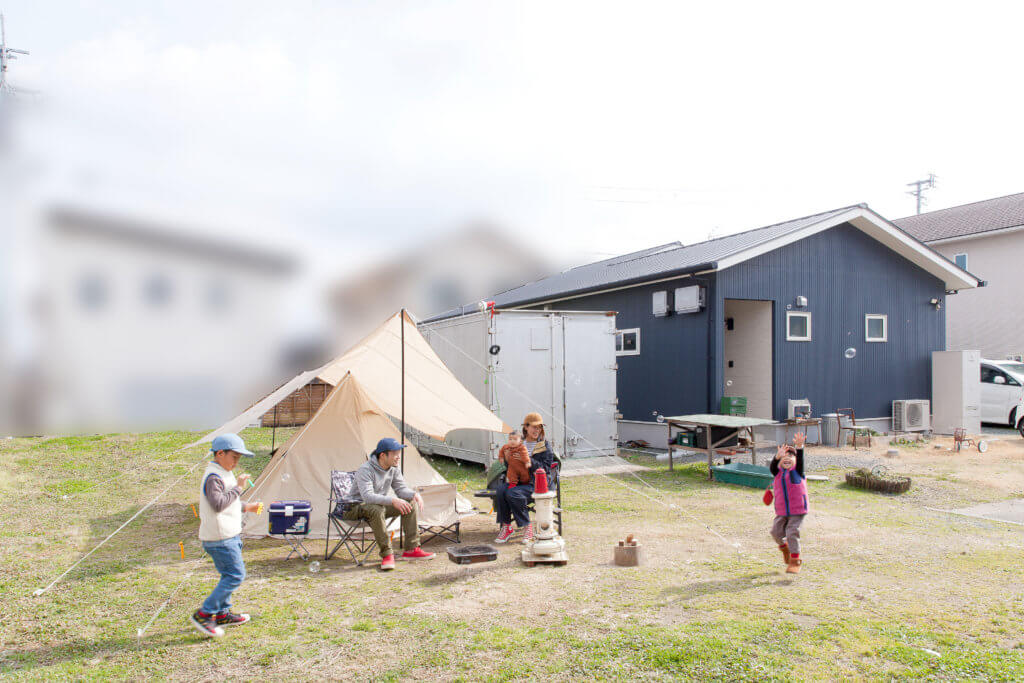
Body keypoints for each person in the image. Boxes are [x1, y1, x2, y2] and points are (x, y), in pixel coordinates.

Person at [190, 433, 262, 638]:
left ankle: (222, 614)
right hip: (220, 538)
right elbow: (218, 504)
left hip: (229, 534)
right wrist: (239, 487)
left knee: (228, 574)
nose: (236, 462)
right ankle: (205, 614)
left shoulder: (223, 473)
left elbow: (228, 502)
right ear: (220, 453)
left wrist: (247, 507)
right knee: (235, 575)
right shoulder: (213, 477)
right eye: (234, 457)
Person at [343, 437, 436, 571]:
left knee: (409, 504)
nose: (398, 457)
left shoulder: (393, 468)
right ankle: (387, 554)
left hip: (377, 507)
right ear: (382, 455)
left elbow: (400, 489)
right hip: (353, 508)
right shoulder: (365, 469)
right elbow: (368, 497)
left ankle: (412, 549)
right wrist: (393, 500)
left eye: (399, 453)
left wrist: (414, 494)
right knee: (376, 509)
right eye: (395, 454)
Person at [494, 412, 556, 544]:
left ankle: (527, 527)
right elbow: (510, 467)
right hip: (520, 481)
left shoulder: (545, 445)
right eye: (534, 427)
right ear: (526, 427)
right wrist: (507, 459)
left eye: (539, 427)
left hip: (538, 484)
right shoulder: (517, 443)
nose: (537, 430)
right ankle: (506, 526)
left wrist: (528, 459)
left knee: (513, 493)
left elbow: (545, 469)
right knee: (501, 490)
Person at [769, 432, 808, 575]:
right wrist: (776, 457)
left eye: (790, 456)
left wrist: (799, 447)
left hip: (797, 511)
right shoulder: (777, 473)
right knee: (775, 533)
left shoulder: (798, 472)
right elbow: (773, 466)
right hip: (782, 511)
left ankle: (795, 561)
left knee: (792, 532)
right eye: (784, 456)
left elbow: (800, 460)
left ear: (795, 460)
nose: (787, 458)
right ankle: (785, 549)